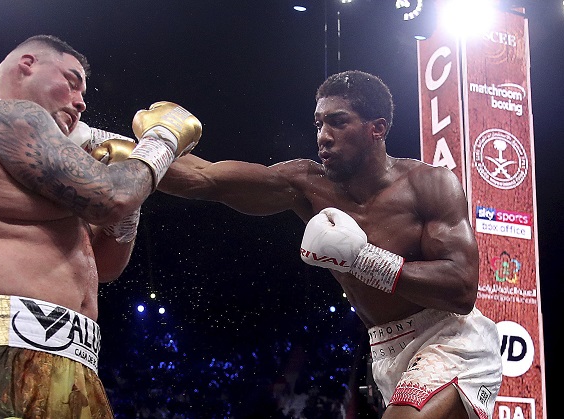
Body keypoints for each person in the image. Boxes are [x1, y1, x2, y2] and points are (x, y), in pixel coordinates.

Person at [158, 70, 502, 419]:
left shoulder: (429, 184)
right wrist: (145, 150)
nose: (323, 136)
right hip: (386, 349)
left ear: (377, 129)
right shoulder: (307, 184)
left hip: (450, 338)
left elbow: (461, 289)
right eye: (319, 124)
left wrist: (363, 259)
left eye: (338, 122)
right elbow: (205, 179)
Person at [0, 34, 202, 418]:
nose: (81, 101)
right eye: (71, 82)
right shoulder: (5, 117)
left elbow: (105, 266)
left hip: (74, 361)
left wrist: (128, 198)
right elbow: (111, 197)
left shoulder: (54, 165)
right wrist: (162, 138)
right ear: (27, 65)